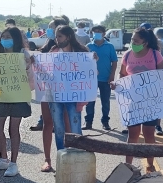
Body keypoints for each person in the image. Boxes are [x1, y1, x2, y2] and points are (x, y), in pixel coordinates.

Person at [113, 27, 163, 172]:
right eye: (132, 40)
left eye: (136, 40)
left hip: (150, 102)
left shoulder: (155, 55)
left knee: (149, 135)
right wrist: (117, 84)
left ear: (145, 42)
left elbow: (162, 77)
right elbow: (122, 74)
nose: (133, 43)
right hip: (132, 102)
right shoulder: (128, 55)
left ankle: (150, 164)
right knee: (133, 135)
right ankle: (128, 166)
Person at [0, 27, 33, 177]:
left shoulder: (23, 54)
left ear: (15, 38)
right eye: (3, 37)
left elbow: (31, 73)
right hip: (2, 95)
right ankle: (3, 158)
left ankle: (13, 163)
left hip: (18, 96)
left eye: (8, 36)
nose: (4, 39)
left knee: (13, 129)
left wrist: (30, 63)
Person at [31, 18, 69, 172]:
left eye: (51, 29)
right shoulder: (47, 48)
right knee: (48, 124)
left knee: (66, 126)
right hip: (48, 91)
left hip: (67, 92)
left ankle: (65, 158)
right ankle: (47, 160)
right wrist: (33, 60)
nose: (49, 32)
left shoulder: (76, 50)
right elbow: (39, 67)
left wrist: (92, 60)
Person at [47, 25, 90, 157]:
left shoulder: (81, 53)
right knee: (59, 128)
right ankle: (62, 157)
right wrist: (35, 63)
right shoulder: (53, 51)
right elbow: (46, 71)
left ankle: (79, 157)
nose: (57, 39)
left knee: (75, 128)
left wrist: (93, 61)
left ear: (69, 37)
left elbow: (91, 73)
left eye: (59, 36)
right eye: (56, 36)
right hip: (56, 95)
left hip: (74, 96)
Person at [84, 25, 117, 131]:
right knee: (90, 101)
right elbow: (83, 62)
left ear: (103, 33)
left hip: (105, 78)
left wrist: (112, 75)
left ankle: (105, 121)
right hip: (91, 79)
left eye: (99, 31)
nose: (96, 33)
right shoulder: (88, 46)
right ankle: (88, 122)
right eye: (94, 31)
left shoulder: (110, 46)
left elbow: (114, 62)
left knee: (105, 102)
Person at [139, 22, 163, 135]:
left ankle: (157, 125)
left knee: (156, 105)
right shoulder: (137, 43)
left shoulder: (159, 44)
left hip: (154, 78)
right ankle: (134, 125)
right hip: (139, 79)